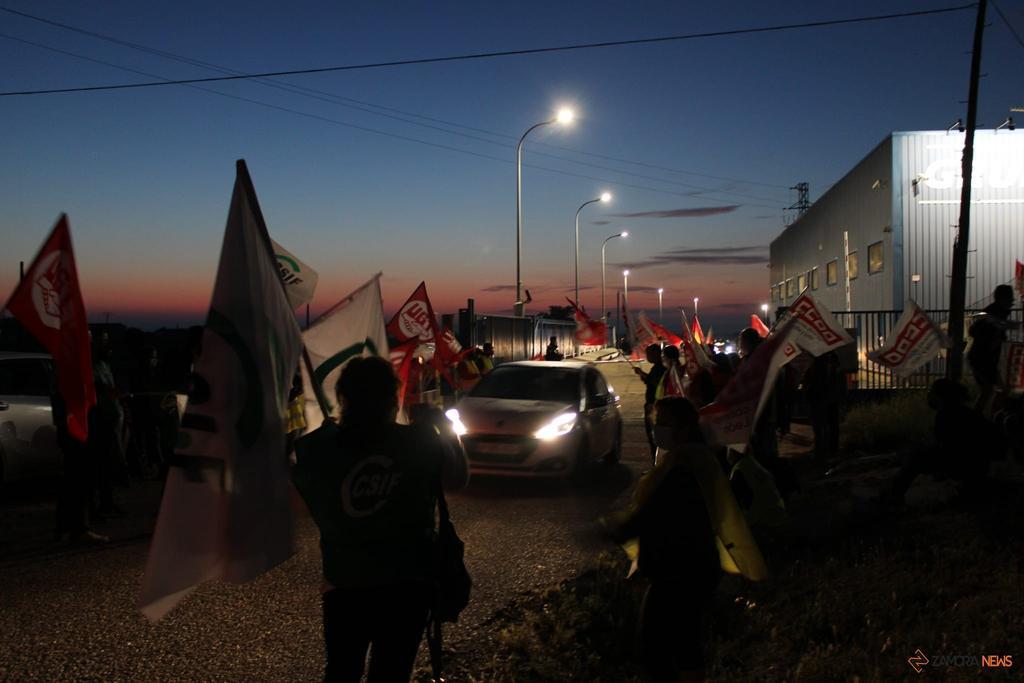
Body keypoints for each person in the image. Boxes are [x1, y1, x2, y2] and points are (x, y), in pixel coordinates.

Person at [292, 356, 469, 683]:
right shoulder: (420, 441)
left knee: (342, 671)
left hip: (344, 584)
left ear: (343, 398)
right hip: (407, 584)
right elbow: (458, 478)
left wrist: (328, 439)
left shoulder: (317, 449)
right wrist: (443, 428)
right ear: (393, 398)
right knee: (391, 672)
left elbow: (303, 496)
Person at [605, 397, 767, 682]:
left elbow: (654, 512)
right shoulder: (693, 457)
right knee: (683, 644)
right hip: (693, 566)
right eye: (658, 423)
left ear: (684, 427)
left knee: (656, 647)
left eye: (664, 423)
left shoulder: (686, 465)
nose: (658, 429)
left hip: (681, 570)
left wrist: (612, 531)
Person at [885, 378, 1001, 504]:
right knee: (918, 454)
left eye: (932, 392)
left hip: (967, 465)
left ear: (941, 396)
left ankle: (894, 496)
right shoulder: (965, 412)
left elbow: (948, 448)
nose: (929, 396)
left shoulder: (946, 415)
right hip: (979, 466)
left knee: (915, 458)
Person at [968, 284, 1020, 416]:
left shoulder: (996, 313)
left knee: (993, 390)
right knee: (992, 390)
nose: (1012, 302)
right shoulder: (992, 314)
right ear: (1002, 299)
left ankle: (990, 416)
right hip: (982, 359)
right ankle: (989, 417)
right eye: (1010, 298)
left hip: (984, 359)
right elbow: (974, 330)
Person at [633, 344, 665, 464]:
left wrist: (642, 373)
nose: (647, 356)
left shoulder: (660, 368)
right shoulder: (657, 368)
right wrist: (642, 374)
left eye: (649, 354)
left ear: (656, 354)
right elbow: (650, 382)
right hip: (654, 405)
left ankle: (656, 466)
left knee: (655, 438)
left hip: (654, 407)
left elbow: (654, 383)